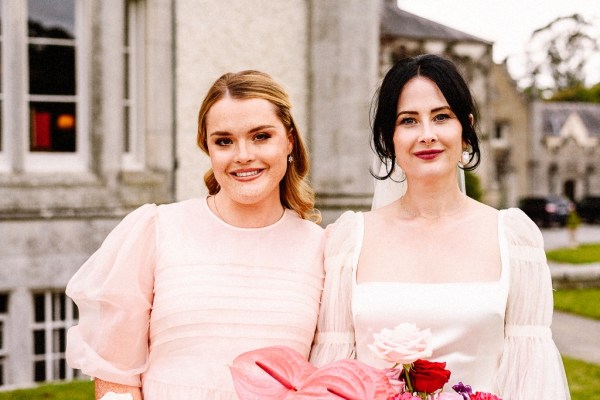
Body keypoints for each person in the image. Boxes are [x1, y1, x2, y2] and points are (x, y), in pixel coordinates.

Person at [309, 54, 570, 399]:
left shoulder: (513, 239)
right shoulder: (348, 241)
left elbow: (532, 377)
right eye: (408, 121)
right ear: (389, 138)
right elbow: (332, 374)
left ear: (466, 130)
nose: (427, 134)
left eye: (442, 117)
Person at [66, 70, 324, 400]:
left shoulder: (320, 249)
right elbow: (117, 377)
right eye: (224, 141)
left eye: (261, 136)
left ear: (288, 140)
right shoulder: (158, 229)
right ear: (208, 148)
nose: (243, 154)